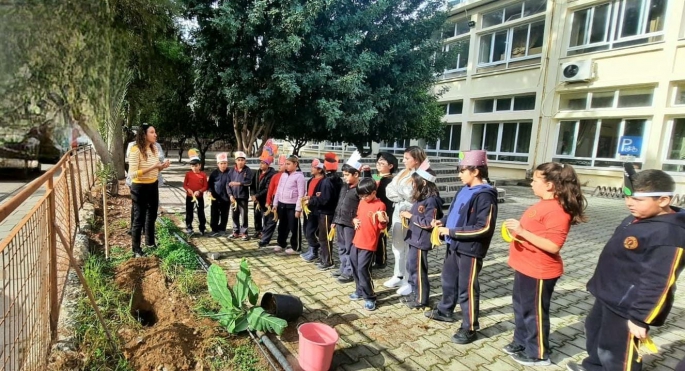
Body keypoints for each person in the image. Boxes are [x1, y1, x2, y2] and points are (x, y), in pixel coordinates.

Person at [567, 166, 684, 371]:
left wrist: (640, 317)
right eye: (627, 197)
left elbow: (659, 281)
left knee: (618, 354)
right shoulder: (637, 217)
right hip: (609, 295)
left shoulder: (669, 235)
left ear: (664, 200)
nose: (629, 203)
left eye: (638, 199)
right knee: (595, 336)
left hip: (628, 306)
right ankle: (593, 367)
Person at [503, 162, 587, 366]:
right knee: (521, 307)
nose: (531, 183)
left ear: (549, 185)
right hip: (525, 267)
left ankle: (538, 353)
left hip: (539, 271)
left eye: (535, 180)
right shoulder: (543, 203)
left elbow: (552, 246)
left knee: (534, 313)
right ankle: (521, 342)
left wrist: (522, 232)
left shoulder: (557, 210)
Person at [425, 150, 498, 345]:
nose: (459, 174)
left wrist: (451, 232)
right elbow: (455, 214)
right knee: (448, 280)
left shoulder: (485, 195)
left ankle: (470, 327)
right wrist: (442, 222)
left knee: (467, 288)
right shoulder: (464, 189)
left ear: (475, 171)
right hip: (454, 245)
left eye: (462, 170)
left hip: (470, 249)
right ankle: (445, 310)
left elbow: (484, 227)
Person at [400, 160, 442, 309]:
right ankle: (414, 294)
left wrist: (411, 217)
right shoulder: (421, 199)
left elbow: (429, 223)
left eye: (414, 182)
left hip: (420, 241)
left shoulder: (431, 201)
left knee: (418, 271)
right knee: (411, 268)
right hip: (413, 239)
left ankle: (421, 300)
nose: (412, 185)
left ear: (423, 183)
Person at [385, 146, 426, 295]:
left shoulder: (422, 175)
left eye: (407, 158)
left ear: (416, 160)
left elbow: (412, 195)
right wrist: (400, 193)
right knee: (397, 246)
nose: (403, 161)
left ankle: (409, 281)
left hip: (410, 213)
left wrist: (399, 192)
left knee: (409, 247)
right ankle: (398, 274)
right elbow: (389, 190)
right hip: (398, 211)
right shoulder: (403, 172)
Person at [128, 124, 170, 257]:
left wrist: (162, 166)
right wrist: (154, 167)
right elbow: (132, 174)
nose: (155, 134)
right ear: (144, 135)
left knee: (152, 215)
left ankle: (150, 243)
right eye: (152, 132)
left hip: (153, 185)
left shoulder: (154, 149)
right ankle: (136, 250)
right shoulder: (135, 150)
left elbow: (156, 169)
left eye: (155, 132)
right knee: (139, 218)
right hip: (140, 187)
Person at [349, 178, 388, 311]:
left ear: (373, 192)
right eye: (361, 196)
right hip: (356, 240)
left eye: (366, 195)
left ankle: (370, 296)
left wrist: (383, 221)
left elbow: (381, 226)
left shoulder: (380, 205)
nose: (363, 198)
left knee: (363, 270)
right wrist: (354, 220)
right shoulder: (361, 202)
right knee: (354, 266)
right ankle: (359, 290)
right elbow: (358, 217)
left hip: (368, 243)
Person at [331, 151, 364, 284]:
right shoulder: (344, 187)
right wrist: (334, 220)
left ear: (356, 174)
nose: (344, 178)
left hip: (350, 223)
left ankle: (350, 271)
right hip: (339, 221)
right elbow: (339, 204)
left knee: (350, 247)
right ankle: (343, 267)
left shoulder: (360, 190)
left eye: (346, 175)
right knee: (341, 246)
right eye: (343, 175)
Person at [307, 153, 343, 270]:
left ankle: (327, 261)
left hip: (326, 212)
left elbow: (325, 199)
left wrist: (311, 200)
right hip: (329, 211)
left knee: (324, 237)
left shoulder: (327, 181)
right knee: (322, 236)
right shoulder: (336, 178)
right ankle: (323, 258)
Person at [273, 155, 306, 254]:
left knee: (294, 227)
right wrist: (275, 203)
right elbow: (278, 190)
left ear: (295, 164)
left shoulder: (299, 176)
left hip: (292, 206)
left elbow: (301, 194)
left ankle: (296, 247)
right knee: (282, 226)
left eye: (288, 164)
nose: (286, 166)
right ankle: (281, 243)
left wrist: (298, 209)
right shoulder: (283, 175)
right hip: (282, 204)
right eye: (285, 164)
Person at [372, 152, 398, 269]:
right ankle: (374, 257)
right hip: (373, 210)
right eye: (378, 162)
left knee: (381, 235)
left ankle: (381, 260)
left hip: (385, 211)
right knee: (374, 235)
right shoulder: (378, 176)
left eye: (382, 163)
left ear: (391, 166)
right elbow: (371, 187)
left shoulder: (391, 180)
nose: (379, 165)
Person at [300, 158, 326, 262]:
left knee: (310, 232)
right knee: (306, 230)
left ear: (320, 169)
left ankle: (315, 249)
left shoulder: (324, 181)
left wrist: (311, 200)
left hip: (317, 211)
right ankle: (312, 248)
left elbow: (321, 197)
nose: (311, 169)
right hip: (309, 210)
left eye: (313, 167)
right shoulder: (311, 180)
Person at [260, 154, 288, 248]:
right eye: (279, 164)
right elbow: (270, 190)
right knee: (271, 222)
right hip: (274, 201)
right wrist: (268, 202)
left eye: (282, 164)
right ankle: (265, 240)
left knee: (284, 224)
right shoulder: (275, 176)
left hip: (285, 202)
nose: (279, 166)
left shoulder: (291, 176)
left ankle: (282, 242)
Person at [227, 151, 253, 241]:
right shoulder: (231, 171)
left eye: (242, 160)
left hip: (243, 197)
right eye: (239, 160)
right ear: (236, 161)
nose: (240, 162)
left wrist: (239, 183)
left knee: (244, 215)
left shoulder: (248, 170)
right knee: (234, 215)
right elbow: (228, 184)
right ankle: (235, 231)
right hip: (233, 198)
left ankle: (244, 232)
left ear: (245, 161)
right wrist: (230, 195)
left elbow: (249, 182)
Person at [251, 151, 276, 240]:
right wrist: (253, 195)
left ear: (268, 164)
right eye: (260, 163)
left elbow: (267, 188)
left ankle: (265, 233)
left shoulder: (271, 174)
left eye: (263, 163)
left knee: (265, 217)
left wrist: (257, 196)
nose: (261, 165)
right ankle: (258, 231)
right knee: (256, 215)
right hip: (256, 199)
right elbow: (253, 185)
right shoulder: (257, 173)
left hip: (265, 200)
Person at [182, 151, 208, 235]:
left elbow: (205, 186)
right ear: (190, 166)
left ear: (200, 165)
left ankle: (202, 228)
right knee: (189, 212)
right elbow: (185, 185)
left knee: (201, 212)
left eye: (196, 166)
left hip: (199, 197)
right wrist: (188, 189)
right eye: (192, 166)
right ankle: (189, 227)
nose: (194, 168)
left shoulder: (203, 175)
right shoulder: (188, 174)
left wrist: (199, 191)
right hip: (189, 196)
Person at [208, 153, 231, 236]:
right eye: (221, 163)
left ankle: (222, 228)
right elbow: (210, 184)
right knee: (214, 213)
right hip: (215, 198)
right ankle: (214, 229)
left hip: (226, 198)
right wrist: (210, 192)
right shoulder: (214, 173)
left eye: (225, 163)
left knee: (224, 214)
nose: (223, 165)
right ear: (218, 164)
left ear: (227, 164)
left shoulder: (230, 172)